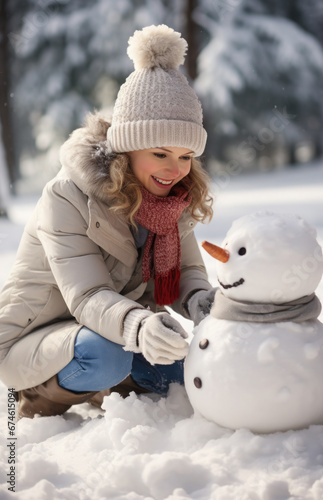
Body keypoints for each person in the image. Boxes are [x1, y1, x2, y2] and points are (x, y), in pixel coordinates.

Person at [0, 24, 215, 418]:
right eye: (161, 153)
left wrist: (201, 300)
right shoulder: (66, 196)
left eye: (186, 156)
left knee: (184, 373)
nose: (176, 170)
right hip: (34, 336)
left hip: (113, 326)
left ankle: (110, 383)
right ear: (128, 148)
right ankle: (35, 396)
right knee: (105, 357)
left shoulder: (172, 201)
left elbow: (186, 270)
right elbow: (86, 295)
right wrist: (137, 325)